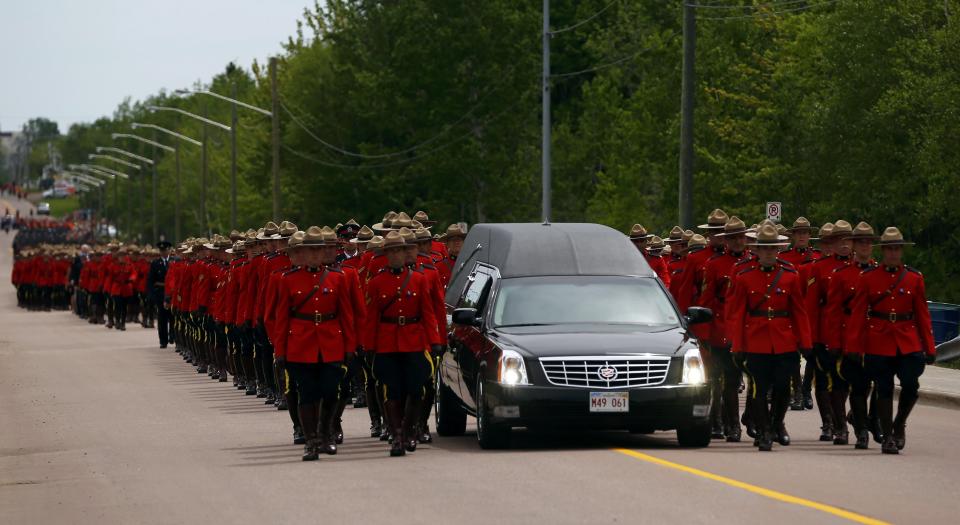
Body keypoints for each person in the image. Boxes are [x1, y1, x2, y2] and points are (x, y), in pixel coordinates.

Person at [845, 227, 935, 455]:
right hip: (879, 339)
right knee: (883, 388)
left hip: (907, 339)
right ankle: (887, 436)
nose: (893, 253)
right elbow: (857, 315)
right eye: (890, 249)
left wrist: (929, 347)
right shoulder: (869, 278)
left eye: (897, 249)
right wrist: (853, 346)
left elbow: (923, 315)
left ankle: (899, 424)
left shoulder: (914, 278)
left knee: (911, 385)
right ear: (883, 251)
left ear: (901, 251)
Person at [274, 227, 356, 461]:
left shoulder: (336, 279)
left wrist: (350, 346)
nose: (313, 256)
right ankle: (311, 441)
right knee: (307, 394)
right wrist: (280, 351)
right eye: (308, 251)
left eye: (317, 251)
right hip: (300, 344)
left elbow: (346, 316)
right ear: (301, 253)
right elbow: (281, 319)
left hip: (331, 342)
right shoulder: (288, 281)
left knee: (331, 391)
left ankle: (326, 432)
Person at [728, 224, 812, 451]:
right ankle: (765, 431)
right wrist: (737, 345)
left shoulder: (790, 276)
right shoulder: (745, 277)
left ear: (778, 250)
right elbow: (738, 313)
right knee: (759, 389)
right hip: (756, 340)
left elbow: (799, 312)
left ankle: (776, 424)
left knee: (783, 388)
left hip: (784, 340)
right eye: (764, 248)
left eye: (772, 248)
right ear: (756, 250)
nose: (768, 253)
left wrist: (805, 342)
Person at [365, 230, 443, 456]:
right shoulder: (377, 282)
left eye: (400, 250)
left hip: (415, 340)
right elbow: (371, 318)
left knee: (417, 389)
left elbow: (428, 313)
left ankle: (410, 428)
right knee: (392, 392)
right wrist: (369, 346)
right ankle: (397, 435)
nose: (397, 255)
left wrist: (435, 340)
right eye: (392, 251)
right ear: (387, 255)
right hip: (387, 342)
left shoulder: (419, 279)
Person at [698, 216, 751, 442]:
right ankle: (732, 426)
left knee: (757, 380)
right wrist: (703, 334)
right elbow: (706, 300)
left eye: (741, 237)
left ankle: (752, 418)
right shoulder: (714, 264)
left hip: (750, 328)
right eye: (733, 238)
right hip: (722, 329)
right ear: (726, 241)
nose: (738, 242)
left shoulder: (753, 261)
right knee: (729, 379)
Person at [148, 241, 175, 348]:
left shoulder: (174, 261)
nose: (163, 252)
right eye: (161, 250)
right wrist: (151, 294)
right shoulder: (155, 263)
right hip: (160, 294)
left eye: (165, 250)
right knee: (162, 318)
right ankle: (163, 340)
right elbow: (151, 280)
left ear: (169, 250)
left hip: (172, 293)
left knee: (173, 317)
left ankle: (172, 336)